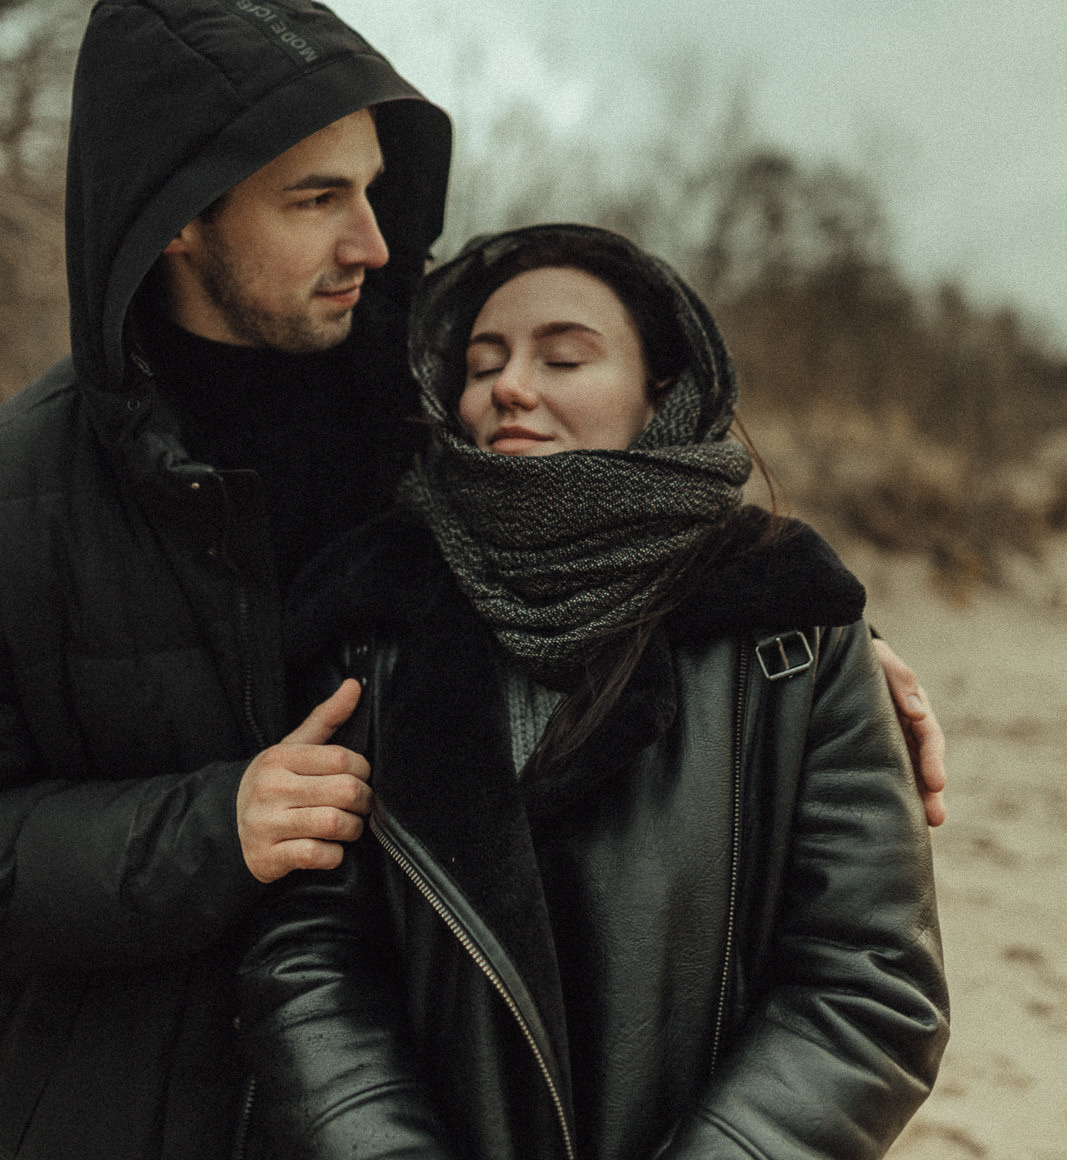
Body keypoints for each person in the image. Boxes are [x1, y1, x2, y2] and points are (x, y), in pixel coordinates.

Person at [239, 223, 950, 1160]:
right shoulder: (373, 622)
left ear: (661, 389)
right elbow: (311, 954)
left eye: (564, 357)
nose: (510, 387)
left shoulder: (794, 627)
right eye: (483, 361)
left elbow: (869, 983)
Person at [0, 0, 451, 1160]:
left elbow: (629, 545)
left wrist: (812, 674)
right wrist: (216, 825)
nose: (371, 237)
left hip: (417, 1107)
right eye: (314, 199)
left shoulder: (443, 430)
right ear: (181, 217)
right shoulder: (15, 492)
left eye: (372, 188)